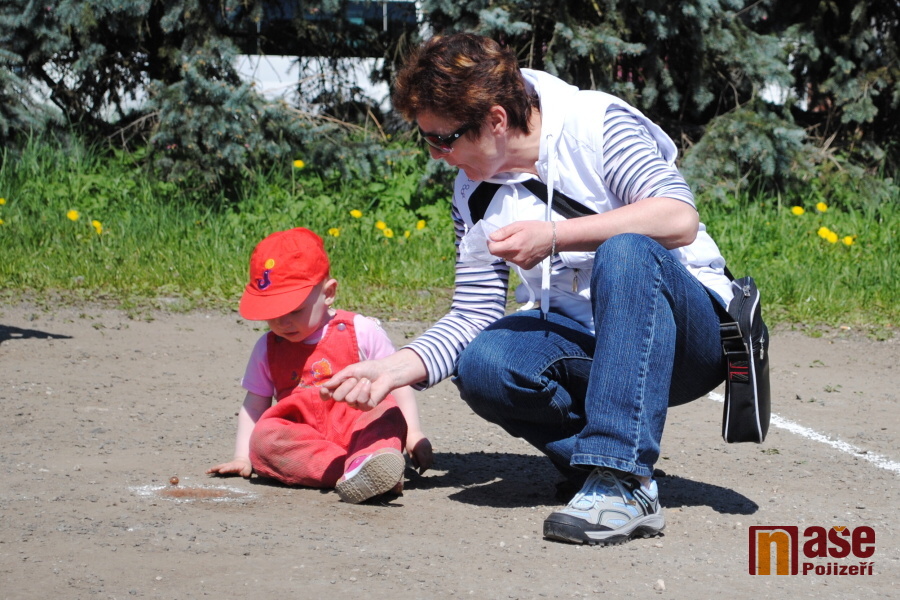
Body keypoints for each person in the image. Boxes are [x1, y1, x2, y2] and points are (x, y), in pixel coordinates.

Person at [320, 33, 732, 544]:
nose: (436, 155)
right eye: (427, 139)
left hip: (690, 340)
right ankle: (605, 468)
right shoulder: (472, 191)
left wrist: (556, 235)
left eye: (443, 139)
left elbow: (677, 217)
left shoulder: (597, 124)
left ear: (496, 120)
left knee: (625, 251)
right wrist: (394, 368)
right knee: (484, 363)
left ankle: (622, 479)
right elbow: (472, 315)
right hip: (594, 350)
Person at [207, 227, 432, 504]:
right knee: (264, 438)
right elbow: (254, 407)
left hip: (357, 420)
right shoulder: (267, 348)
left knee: (385, 412)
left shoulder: (361, 331)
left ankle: (369, 461)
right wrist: (242, 456)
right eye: (272, 313)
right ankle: (358, 471)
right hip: (304, 435)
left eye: (294, 310)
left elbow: (397, 383)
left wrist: (414, 433)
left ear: (329, 293)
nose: (282, 322)